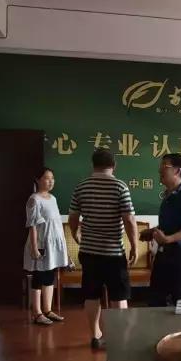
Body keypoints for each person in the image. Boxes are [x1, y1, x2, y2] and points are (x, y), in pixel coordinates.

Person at [68, 149, 138, 350]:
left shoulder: (81, 186)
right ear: (113, 165)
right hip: (113, 252)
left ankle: (95, 335)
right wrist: (134, 246)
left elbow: (73, 216)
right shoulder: (120, 186)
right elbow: (129, 219)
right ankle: (118, 338)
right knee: (119, 296)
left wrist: (75, 233)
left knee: (91, 295)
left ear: (93, 164)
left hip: (89, 251)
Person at [141, 153, 181, 307]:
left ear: (177, 171)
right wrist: (153, 231)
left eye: (164, 166)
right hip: (164, 255)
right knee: (156, 301)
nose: (160, 170)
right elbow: (170, 225)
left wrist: (168, 239)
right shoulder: (168, 195)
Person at [23, 168, 69, 325]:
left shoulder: (53, 198)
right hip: (41, 243)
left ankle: (48, 310)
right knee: (39, 277)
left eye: (52, 178)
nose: (51, 181)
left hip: (53, 244)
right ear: (38, 180)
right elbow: (32, 225)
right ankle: (37, 313)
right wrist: (34, 247)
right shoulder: (34, 199)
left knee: (49, 276)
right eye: (47, 178)